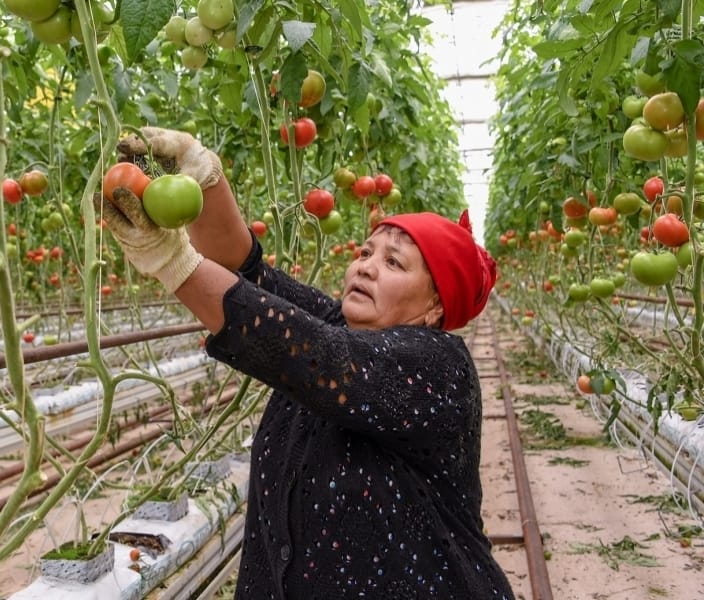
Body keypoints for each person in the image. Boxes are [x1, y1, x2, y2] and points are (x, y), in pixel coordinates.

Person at [100, 127, 515, 600]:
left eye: (394, 263)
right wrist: (202, 171)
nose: (365, 265)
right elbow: (246, 270)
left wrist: (172, 261)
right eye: (365, 252)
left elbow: (313, 352)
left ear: (435, 305)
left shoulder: (440, 367)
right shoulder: (339, 325)